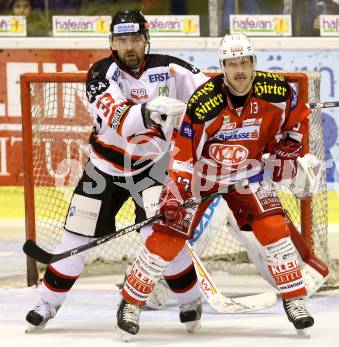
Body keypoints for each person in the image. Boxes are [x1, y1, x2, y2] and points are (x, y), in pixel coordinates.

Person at [119, 33, 317, 337]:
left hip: (248, 173)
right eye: (231, 63)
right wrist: (176, 193)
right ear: (222, 67)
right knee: (168, 236)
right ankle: (130, 303)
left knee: (274, 228)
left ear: (254, 62)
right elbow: (184, 152)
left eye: (244, 62)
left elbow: (296, 119)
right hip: (203, 176)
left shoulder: (277, 90)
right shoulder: (204, 102)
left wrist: (287, 148)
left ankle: (295, 300)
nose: (239, 69)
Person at [24, 9, 210, 334]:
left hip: (152, 170)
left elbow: (210, 95)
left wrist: (232, 108)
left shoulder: (170, 69)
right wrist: (149, 112)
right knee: (76, 237)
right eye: (121, 39)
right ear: (112, 42)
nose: (128, 46)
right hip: (103, 171)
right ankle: (46, 304)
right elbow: (120, 118)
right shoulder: (100, 74)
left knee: (162, 237)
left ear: (145, 40)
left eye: (134, 39)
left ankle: (191, 300)